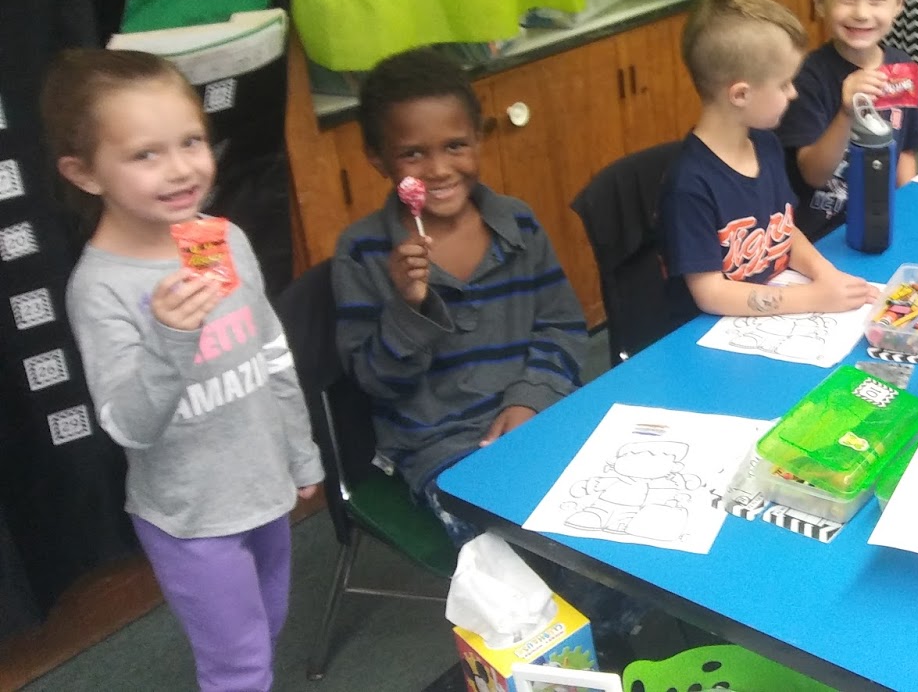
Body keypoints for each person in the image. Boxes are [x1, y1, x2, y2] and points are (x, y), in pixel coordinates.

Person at [48, 49, 324, 692]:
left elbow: (272, 353)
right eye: (145, 154)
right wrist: (172, 337)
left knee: (270, 625)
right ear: (85, 174)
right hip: (190, 518)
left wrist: (301, 452)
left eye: (191, 141)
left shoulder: (222, 239)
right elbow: (129, 426)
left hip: (262, 488)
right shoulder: (102, 288)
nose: (179, 169)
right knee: (239, 665)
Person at [330, 47, 588, 544]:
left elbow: (562, 326)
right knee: (526, 545)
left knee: (617, 505)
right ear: (378, 159)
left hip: (540, 412)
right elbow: (374, 383)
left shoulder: (519, 223)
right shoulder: (362, 252)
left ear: (479, 140)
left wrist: (531, 400)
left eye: (455, 146)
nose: (439, 169)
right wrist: (408, 308)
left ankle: (620, 615)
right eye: (413, 154)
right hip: (438, 443)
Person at [660, 0, 875, 321]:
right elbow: (711, 293)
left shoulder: (765, 144)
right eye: (784, 83)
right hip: (711, 332)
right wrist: (814, 296)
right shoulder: (689, 185)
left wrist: (825, 273)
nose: (793, 94)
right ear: (741, 94)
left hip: (776, 304)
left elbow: (785, 229)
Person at [776, 0, 918, 238]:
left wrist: (909, 211)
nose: (861, 13)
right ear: (820, 3)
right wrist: (846, 113)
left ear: (899, 4)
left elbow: (906, 152)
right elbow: (813, 173)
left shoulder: (901, 67)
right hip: (824, 233)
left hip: (882, 222)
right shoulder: (807, 77)